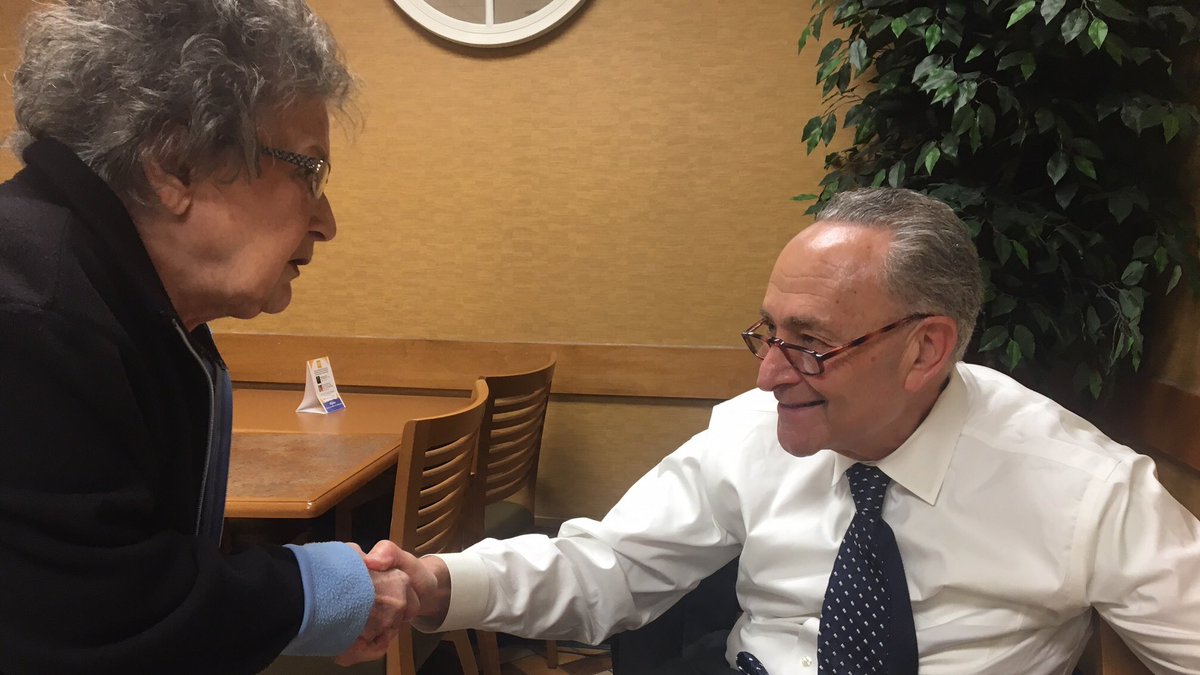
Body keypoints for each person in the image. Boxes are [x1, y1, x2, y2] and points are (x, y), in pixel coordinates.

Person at [378, 187, 1200, 674]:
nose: (769, 374)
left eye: (810, 344)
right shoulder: (753, 430)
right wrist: (438, 583)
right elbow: (614, 565)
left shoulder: (1083, 485)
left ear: (925, 349)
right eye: (767, 332)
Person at [0, 2, 419, 673]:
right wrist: (321, 592)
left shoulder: (116, 295)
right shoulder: (32, 312)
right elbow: (100, 618)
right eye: (308, 170)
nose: (326, 221)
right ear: (174, 165)